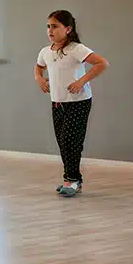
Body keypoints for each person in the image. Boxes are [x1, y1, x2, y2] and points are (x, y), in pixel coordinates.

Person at [35, 10, 108, 197]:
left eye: (55, 26)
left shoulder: (76, 49)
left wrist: (81, 81)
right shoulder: (46, 51)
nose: (50, 30)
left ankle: (73, 180)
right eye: (48, 26)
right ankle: (71, 178)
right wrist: (39, 79)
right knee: (62, 142)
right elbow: (39, 66)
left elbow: (101, 63)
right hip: (57, 102)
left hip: (78, 102)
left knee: (71, 140)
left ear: (67, 29)